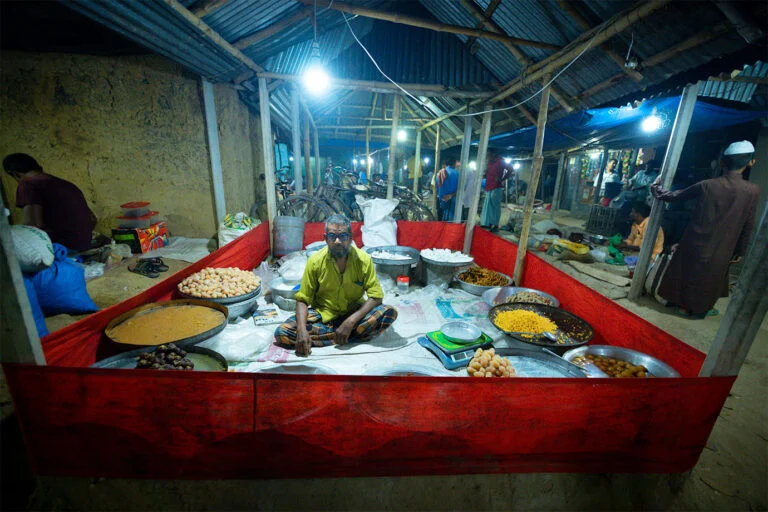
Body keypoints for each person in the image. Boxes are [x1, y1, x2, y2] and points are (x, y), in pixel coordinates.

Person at [650, 140, 759, 317]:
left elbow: (673, 196)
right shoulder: (753, 191)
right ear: (751, 163)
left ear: (722, 163)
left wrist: (655, 187)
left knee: (688, 273)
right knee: (711, 278)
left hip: (695, 241)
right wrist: (740, 250)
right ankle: (701, 308)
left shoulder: (707, 185)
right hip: (724, 246)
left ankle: (682, 306)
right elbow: (748, 224)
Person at [274, 214, 398, 356]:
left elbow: (376, 297)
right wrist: (302, 330)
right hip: (323, 314)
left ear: (351, 238)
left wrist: (350, 321)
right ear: (326, 239)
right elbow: (302, 299)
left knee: (389, 312)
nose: (338, 241)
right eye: (332, 236)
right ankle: (345, 336)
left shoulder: (364, 260)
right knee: (282, 332)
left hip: (354, 312)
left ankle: (336, 334)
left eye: (343, 236)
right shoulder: (315, 261)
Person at [3, 153, 95, 252]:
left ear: (16, 174)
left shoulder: (27, 184)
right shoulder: (66, 184)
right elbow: (93, 219)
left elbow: (32, 226)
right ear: (39, 168)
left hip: (64, 248)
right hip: (85, 244)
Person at [480, 152, 513, 231]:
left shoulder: (500, 161)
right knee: (488, 206)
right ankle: (487, 223)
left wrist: (502, 178)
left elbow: (510, 169)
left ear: (493, 154)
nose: (486, 157)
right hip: (488, 186)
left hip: (496, 187)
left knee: (495, 207)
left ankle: (495, 224)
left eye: (488, 155)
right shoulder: (489, 163)